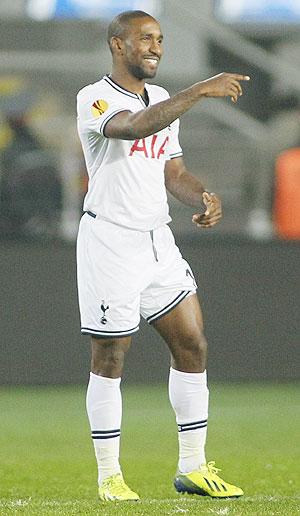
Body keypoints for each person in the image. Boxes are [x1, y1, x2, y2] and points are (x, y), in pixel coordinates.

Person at [76, 9, 249, 503]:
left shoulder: (160, 99)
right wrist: (197, 91)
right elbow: (131, 129)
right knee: (110, 356)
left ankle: (192, 466)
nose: (156, 47)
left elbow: (173, 171)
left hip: (156, 241)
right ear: (117, 44)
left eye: (161, 39)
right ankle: (109, 475)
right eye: (146, 39)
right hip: (110, 242)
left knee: (192, 342)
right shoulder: (95, 97)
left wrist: (204, 197)